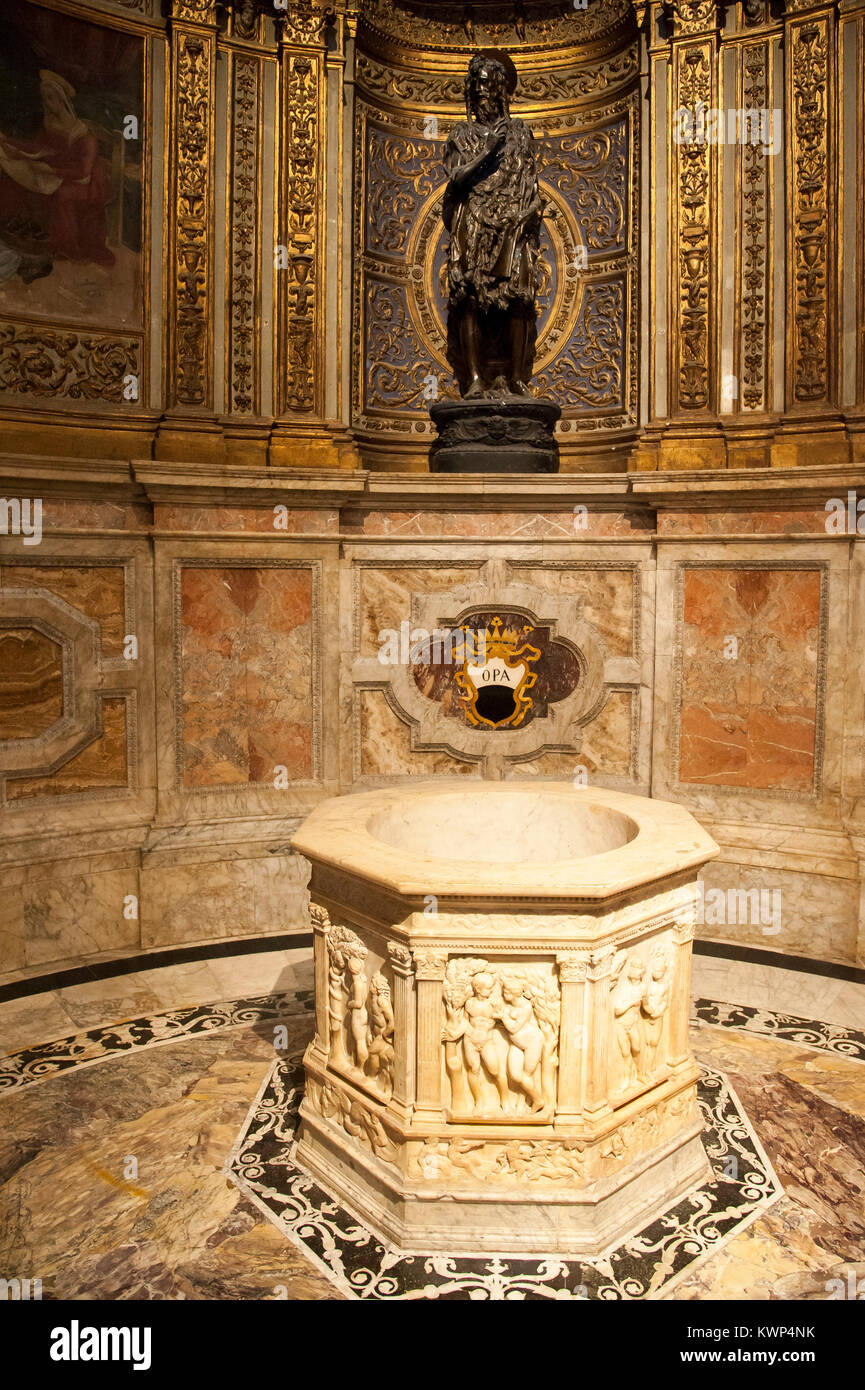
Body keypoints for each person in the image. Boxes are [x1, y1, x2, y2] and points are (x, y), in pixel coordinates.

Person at [442, 52, 542, 398]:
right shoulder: (462, 133)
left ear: (500, 87)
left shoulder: (520, 131)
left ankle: (515, 379)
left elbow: (532, 180)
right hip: (474, 220)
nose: (479, 90)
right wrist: (489, 150)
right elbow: (456, 179)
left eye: (485, 82)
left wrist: (528, 214)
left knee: (519, 294)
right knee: (468, 295)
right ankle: (472, 380)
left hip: (513, 221)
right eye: (475, 84)